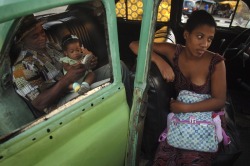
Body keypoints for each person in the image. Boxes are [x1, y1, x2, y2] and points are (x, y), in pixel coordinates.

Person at [130, 10, 226, 165]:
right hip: (179, 120)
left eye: (210, 39)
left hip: (205, 121)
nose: (205, 44)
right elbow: (134, 45)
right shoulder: (174, 51)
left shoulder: (216, 62)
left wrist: (185, 108)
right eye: (200, 36)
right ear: (187, 35)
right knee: (163, 158)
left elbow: (219, 101)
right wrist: (159, 62)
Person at [12, 14, 132, 116]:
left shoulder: (50, 47)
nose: (42, 37)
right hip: (60, 104)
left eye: (42, 32)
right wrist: (66, 79)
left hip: (76, 82)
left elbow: (71, 61)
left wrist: (88, 62)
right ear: (22, 40)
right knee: (110, 82)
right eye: (35, 36)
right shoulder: (22, 68)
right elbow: (39, 103)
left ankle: (130, 107)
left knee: (118, 67)